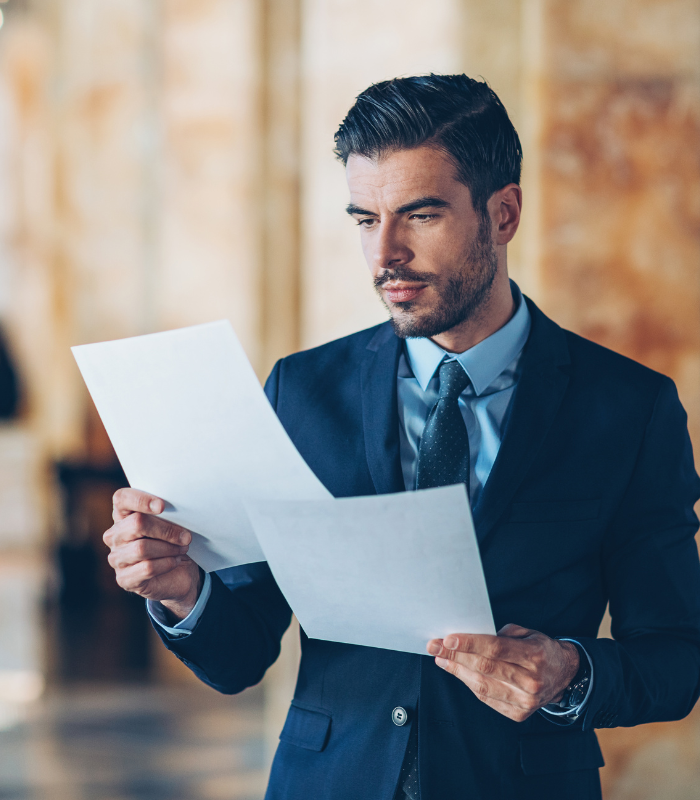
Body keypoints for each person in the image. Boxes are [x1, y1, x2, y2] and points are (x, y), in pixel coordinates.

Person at [103, 75, 700, 800]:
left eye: (420, 216)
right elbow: (240, 654)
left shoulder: (628, 407)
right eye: (364, 219)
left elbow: (675, 658)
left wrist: (572, 673)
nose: (385, 253)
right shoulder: (303, 390)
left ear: (502, 214)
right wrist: (182, 591)